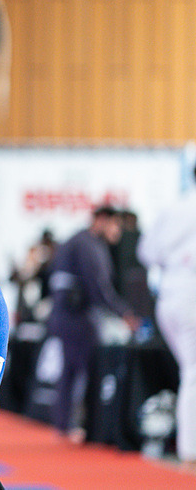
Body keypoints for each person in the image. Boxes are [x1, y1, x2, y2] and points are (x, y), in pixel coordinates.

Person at [45, 205, 138, 441]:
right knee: (85, 371)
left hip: (65, 315)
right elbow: (99, 287)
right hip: (76, 317)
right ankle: (81, 425)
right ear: (103, 220)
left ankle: (65, 424)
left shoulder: (78, 241)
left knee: (70, 371)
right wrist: (125, 313)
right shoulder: (87, 244)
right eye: (116, 225)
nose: (118, 232)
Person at [137, 164, 196, 469]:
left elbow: (146, 252)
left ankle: (189, 449)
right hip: (190, 292)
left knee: (191, 370)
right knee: (194, 371)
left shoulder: (175, 207)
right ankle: (190, 452)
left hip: (170, 291)